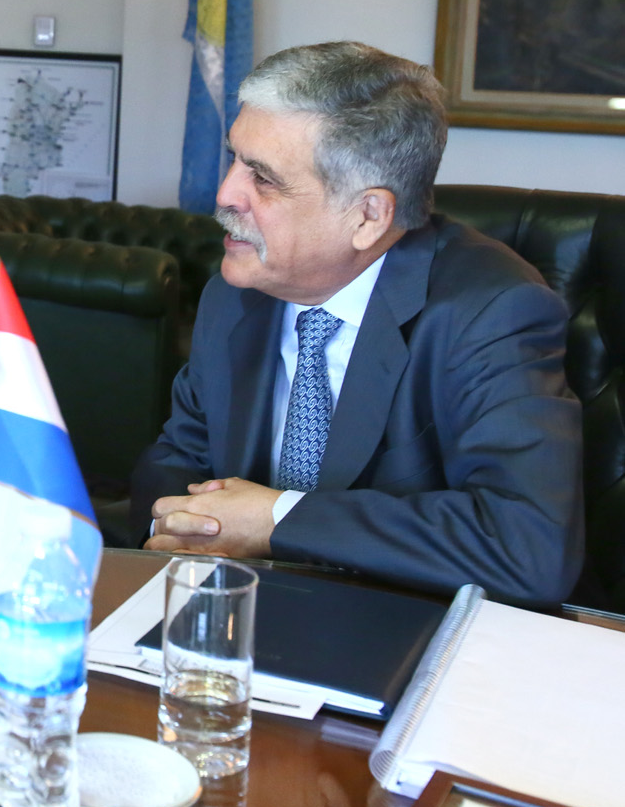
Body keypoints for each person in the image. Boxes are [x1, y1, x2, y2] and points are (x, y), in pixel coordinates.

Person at [130, 42, 583, 606]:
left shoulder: (492, 311)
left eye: (262, 178)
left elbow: (527, 546)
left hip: (405, 626)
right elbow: (179, 456)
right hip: (242, 608)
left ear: (368, 216)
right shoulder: (237, 290)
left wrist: (279, 519)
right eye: (235, 159)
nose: (224, 194)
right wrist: (182, 530)